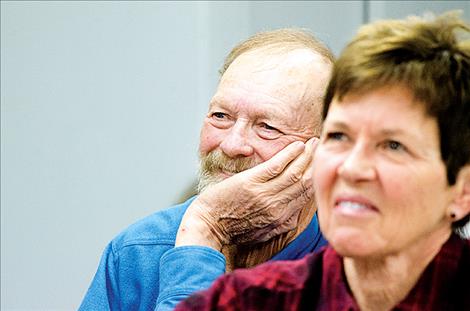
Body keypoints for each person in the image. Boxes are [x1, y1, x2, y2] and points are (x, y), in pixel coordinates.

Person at [175, 11, 470, 311]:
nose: (351, 168)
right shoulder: (248, 300)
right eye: (339, 136)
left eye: (393, 146)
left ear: (463, 191)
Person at [79, 28, 334, 310]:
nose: (231, 145)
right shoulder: (137, 253)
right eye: (220, 116)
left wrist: (208, 226)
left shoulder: (357, 264)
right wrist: (205, 231)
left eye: (267, 127)